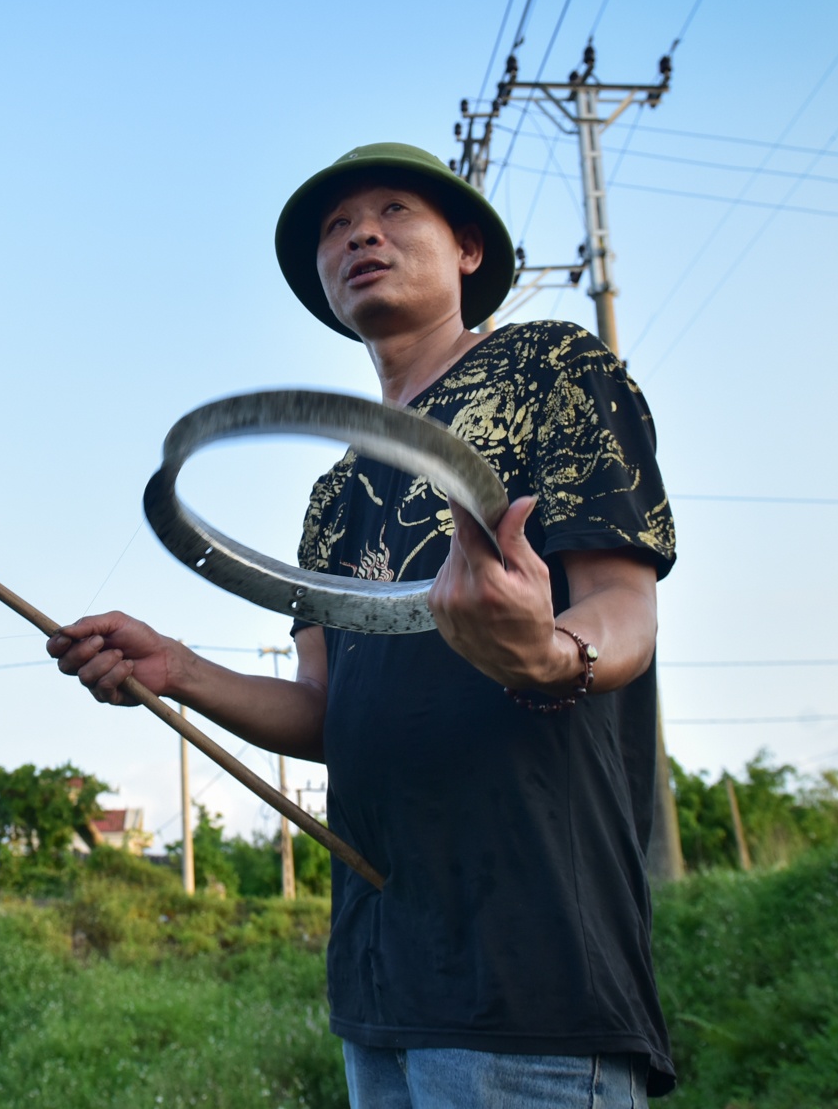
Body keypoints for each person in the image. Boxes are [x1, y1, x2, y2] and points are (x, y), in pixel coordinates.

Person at [49, 143, 678, 1106]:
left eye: (393, 212)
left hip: (533, 971)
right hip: (380, 979)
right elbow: (322, 709)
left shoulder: (551, 367)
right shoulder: (334, 488)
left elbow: (626, 610)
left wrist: (550, 652)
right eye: (337, 229)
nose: (361, 236)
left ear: (467, 248)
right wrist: (179, 669)